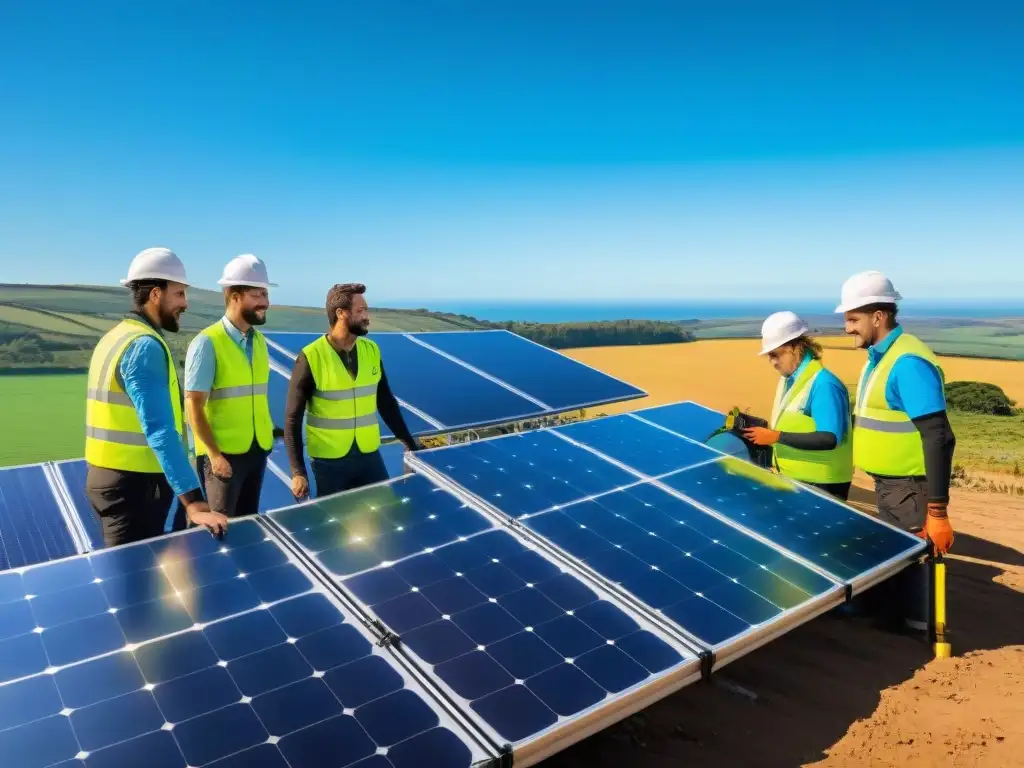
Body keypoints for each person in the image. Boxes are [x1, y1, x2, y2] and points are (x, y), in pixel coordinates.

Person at [837, 270, 956, 630]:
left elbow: (939, 436)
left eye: (853, 319)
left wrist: (937, 511)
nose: (847, 328)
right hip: (891, 484)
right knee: (893, 553)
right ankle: (887, 615)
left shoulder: (907, 363)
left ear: (879, 316)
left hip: (908, 485)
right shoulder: (880, 358)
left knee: (909, 558)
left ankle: (913, 626)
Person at [84, 247, 228, 546]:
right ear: (155, 294)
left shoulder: (114, 337)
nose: (185, 304)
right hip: (133, 485)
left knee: (133, 575)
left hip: (108, 478)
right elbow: (160, 430)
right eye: (179, 294)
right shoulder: (144, 347)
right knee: (135, 581)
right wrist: (195, 503)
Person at [284, 283, 421, 499]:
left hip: (368, 455)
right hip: (329, 462)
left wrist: (410, 443)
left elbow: (386, 403)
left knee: (383, 512)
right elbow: (292, 418)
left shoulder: (371, 350)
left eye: (366, 310)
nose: (367, 316)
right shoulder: (310, 357)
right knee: (335, 525)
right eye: (360, 311)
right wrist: (298, 472)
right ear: (341, 314)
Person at [180, 254, 276, 527]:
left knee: (245, 525)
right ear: (234, 296)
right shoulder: (207, 343)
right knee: (219, 529)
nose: (265, 302)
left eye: (265, 294)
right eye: (257, 295)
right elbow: (193, 405)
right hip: (222, 459)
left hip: (256, 452)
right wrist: (214, 455)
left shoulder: (258, 342)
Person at [741, 311, 854, 501]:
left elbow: (829, 438)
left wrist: (775, 437)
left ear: (796, 348)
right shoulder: (790, 380)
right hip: (800, 479)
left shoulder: (824, 384)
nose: (772, 362)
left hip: (823, 483)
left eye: (775, 355)